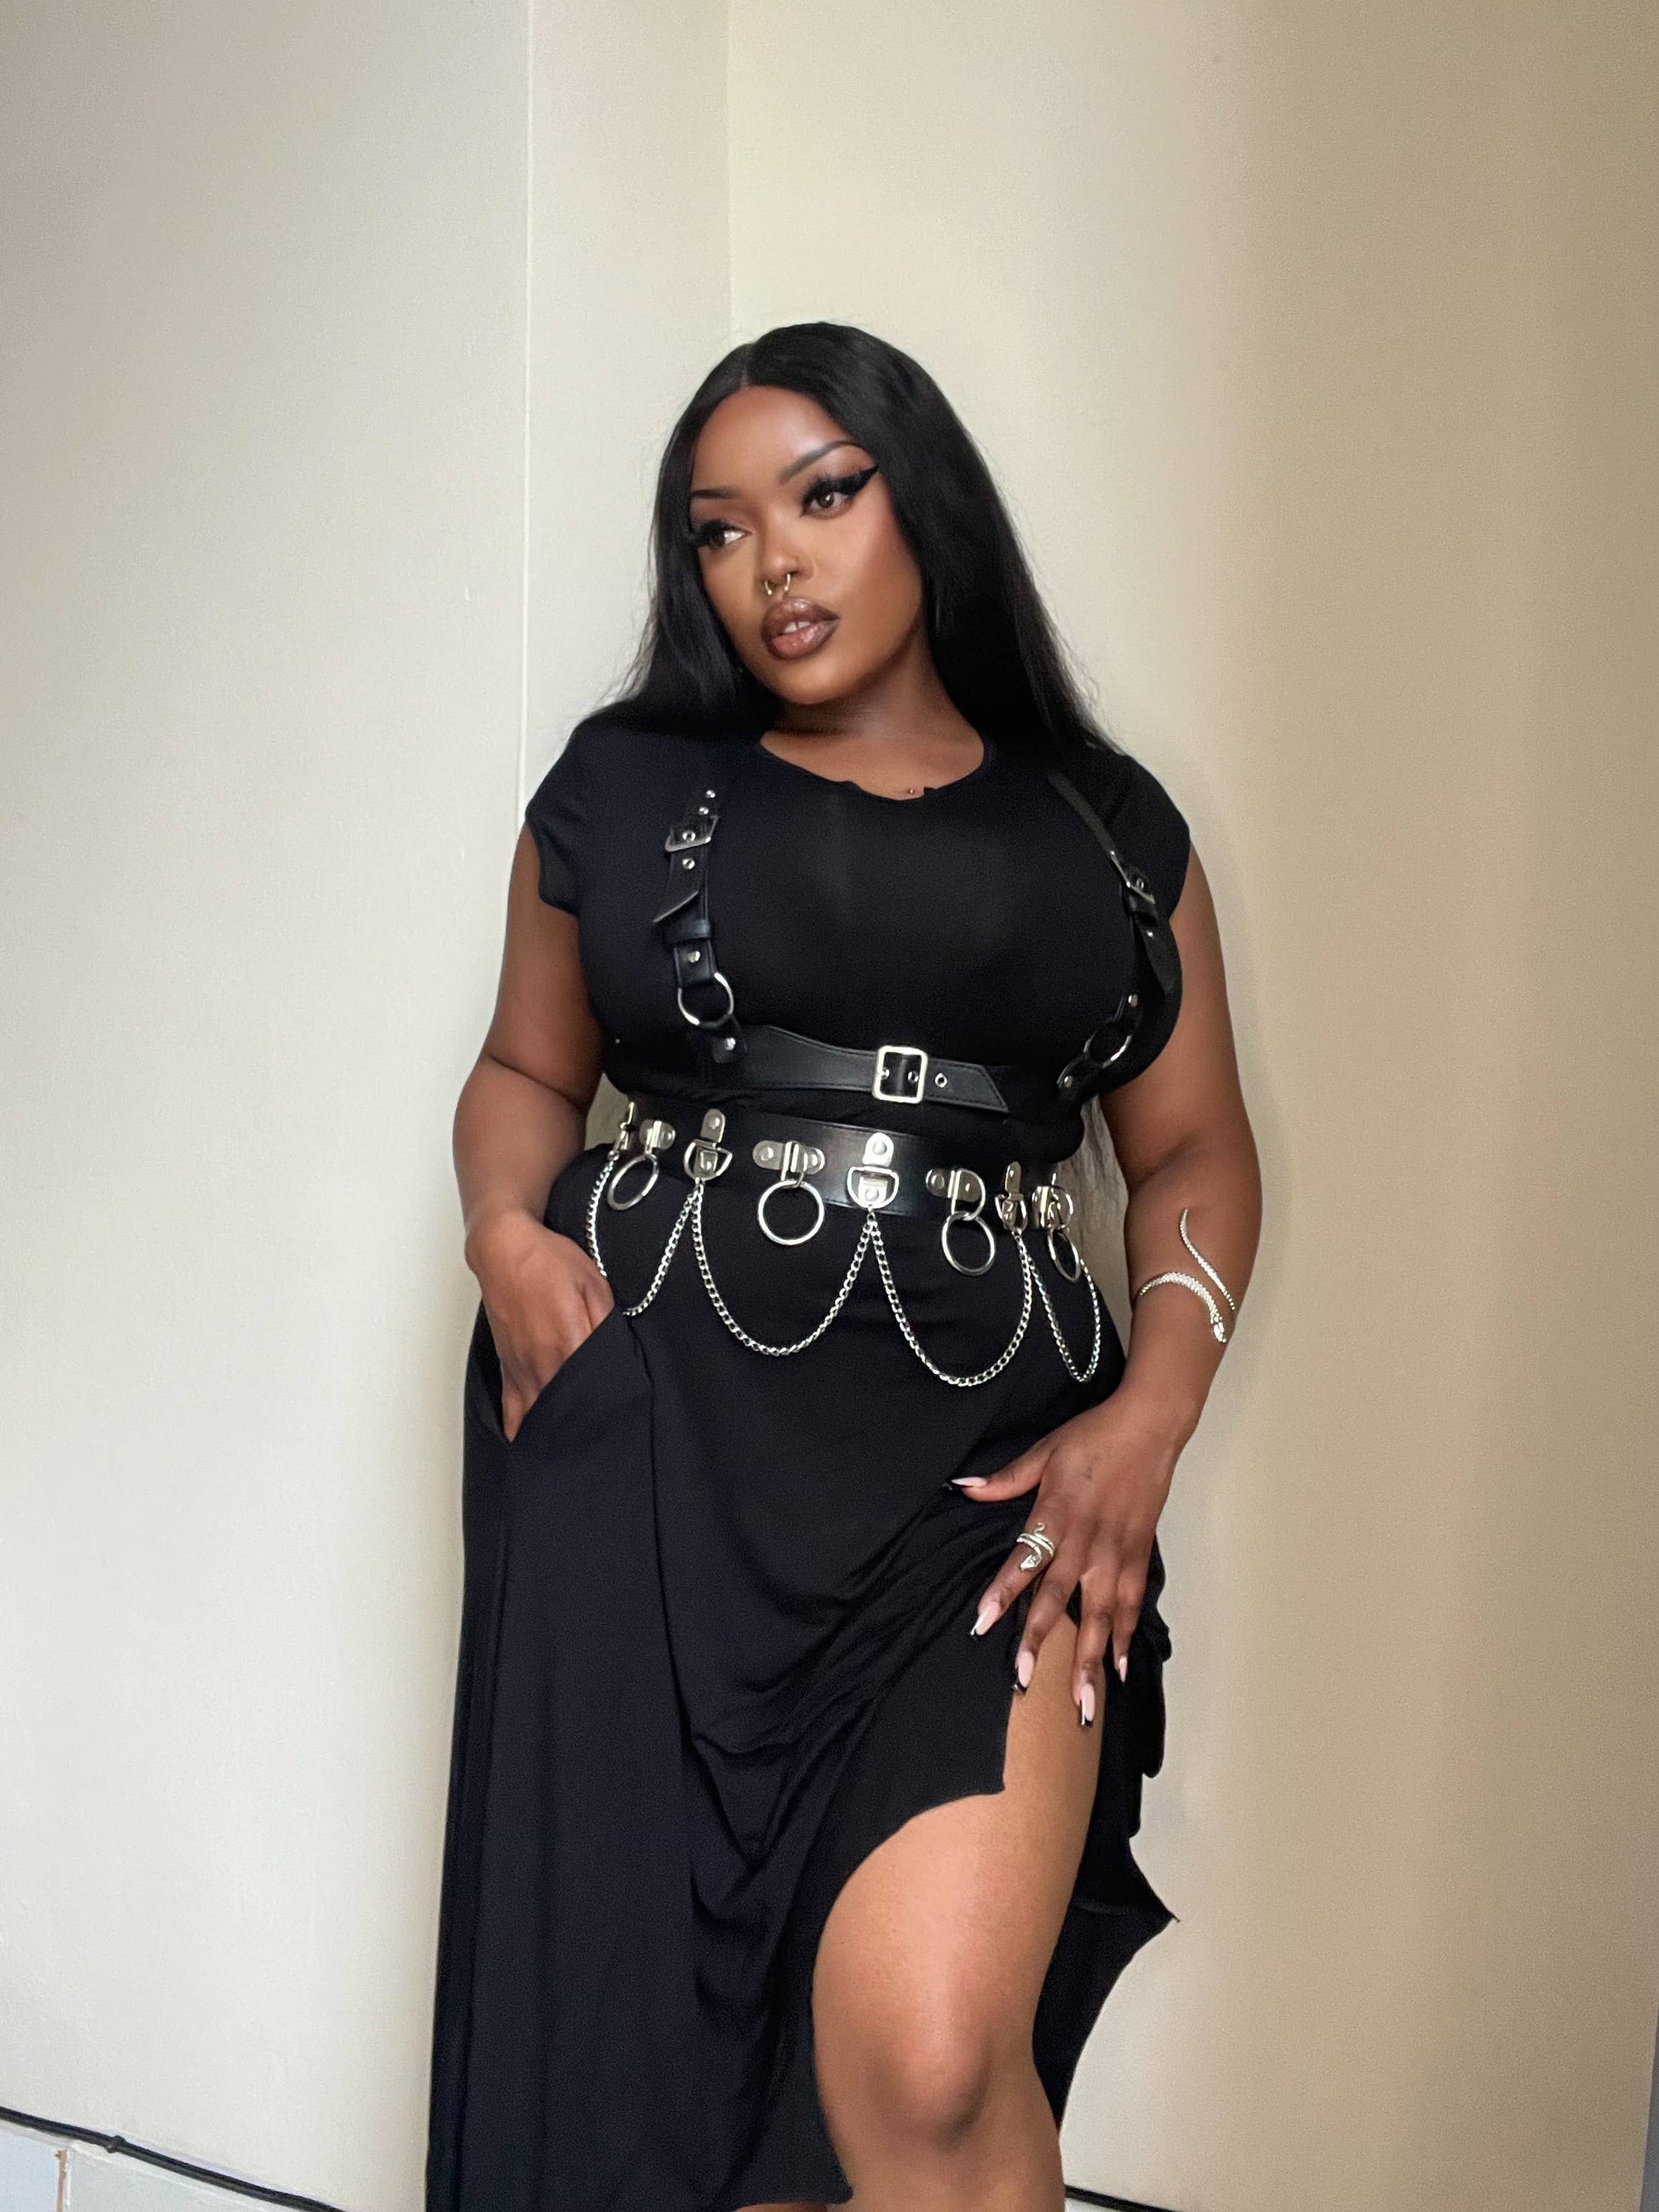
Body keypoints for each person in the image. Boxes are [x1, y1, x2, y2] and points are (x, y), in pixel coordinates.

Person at [426, 321, 1262, 2212]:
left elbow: (1195, 1151)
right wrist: (501, 1235)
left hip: (983, 1488)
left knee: (930, 2066)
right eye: (718, 531)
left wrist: (1152, 1411)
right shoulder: (622, 784)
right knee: (653, 2080)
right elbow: (525, 1072)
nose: (772, 563)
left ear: (921, 497)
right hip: (647, 1464)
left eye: (821, 496)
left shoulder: (1109, 825)